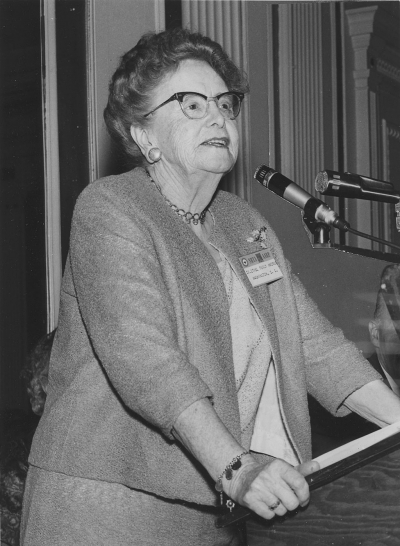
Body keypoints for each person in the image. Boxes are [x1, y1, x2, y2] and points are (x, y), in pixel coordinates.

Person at [20, 28, 400, 546]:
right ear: (142, 135)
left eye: (225, 103)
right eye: (191, 104)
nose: (219, 117)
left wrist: (397, 421)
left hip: (211, 511)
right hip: (107, 508)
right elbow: (144, 359)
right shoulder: (111, 208)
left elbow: (314, 347)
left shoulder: (244, 224)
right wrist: (236, 467)